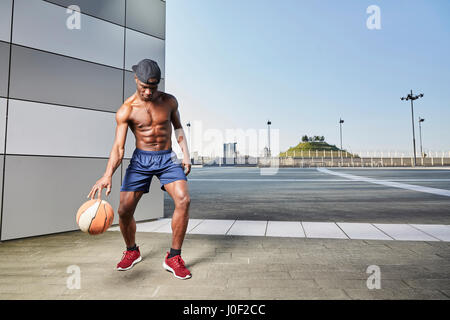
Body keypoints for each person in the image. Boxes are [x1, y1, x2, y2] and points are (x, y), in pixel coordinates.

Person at [87, 59, 192, 279]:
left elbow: (178, 127)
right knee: (124, 211)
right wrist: (108, 175)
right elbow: (118, 147)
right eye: (144, 87)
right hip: (141, 160)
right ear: (136, 79)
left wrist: (186, 154)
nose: (148, 92)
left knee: (183, 200)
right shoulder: (127, 109)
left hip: (167, 158)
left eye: (152, 88)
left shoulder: (169, 102)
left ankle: (173, 257)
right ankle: (132, 251)